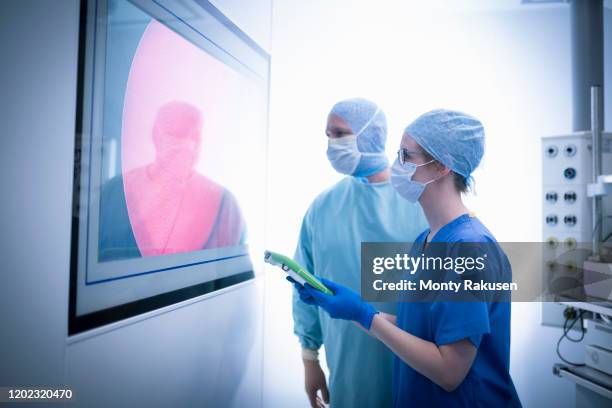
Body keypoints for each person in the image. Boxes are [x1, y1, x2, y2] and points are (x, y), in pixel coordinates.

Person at [293, 109, 521, 407]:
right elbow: (420, 328)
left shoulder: (469, 247)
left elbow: (449, 370)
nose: (396, 165)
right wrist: (354, 310)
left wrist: (366, 316)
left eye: (406, 156)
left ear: (441, 166)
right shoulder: (426, 240)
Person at [292, 98, 427, 408]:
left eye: (340, 134)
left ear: (370, 135)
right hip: (348, 370)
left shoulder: (422, 204)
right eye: (328, 135)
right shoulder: (323, 208)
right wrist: (310, 359)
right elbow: (305, 288)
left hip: (416, 368)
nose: (331, 144)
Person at [99, 101, 245, 261]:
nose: (189, 146)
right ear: (156, 135)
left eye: (196, 137)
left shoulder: (225, 205)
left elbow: (236, 277)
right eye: (178, 134)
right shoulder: (113, 193)